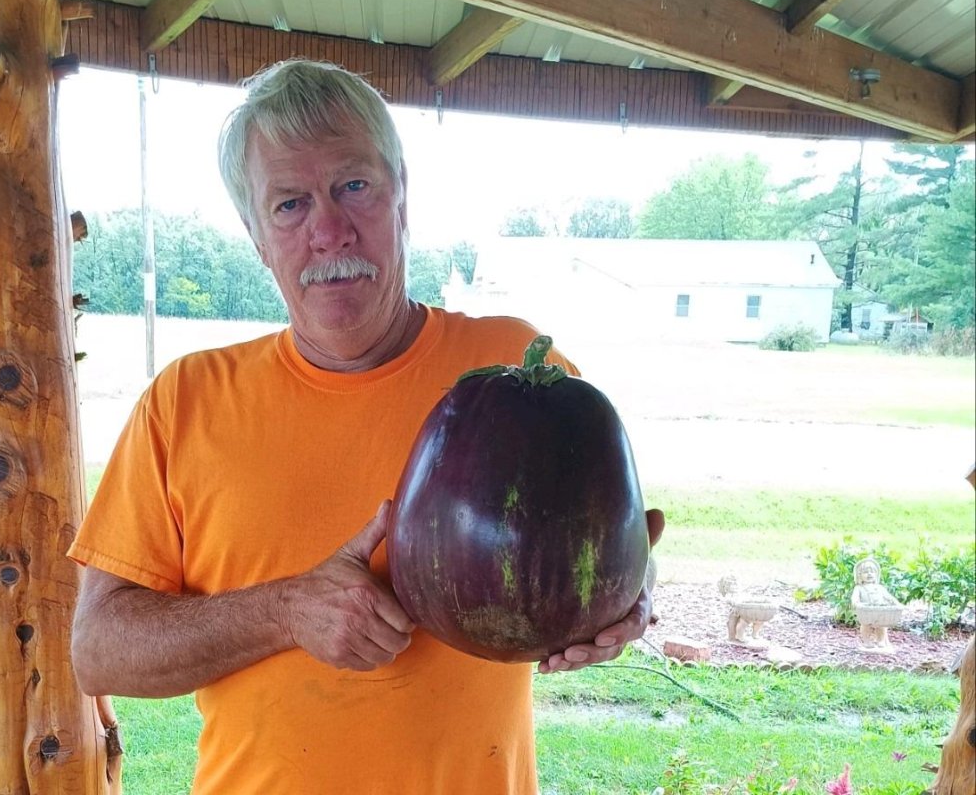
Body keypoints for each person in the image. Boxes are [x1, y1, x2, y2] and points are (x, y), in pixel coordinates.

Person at [68, 58, 664, 794]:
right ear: (257, 236)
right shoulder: (185, 401)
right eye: (289, 204)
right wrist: (285, 611)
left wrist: (622, 597)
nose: (329, 230)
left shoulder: (519, 370)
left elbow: (608, 541)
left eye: (353, 186)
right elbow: (98, 650)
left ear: (401, 199)